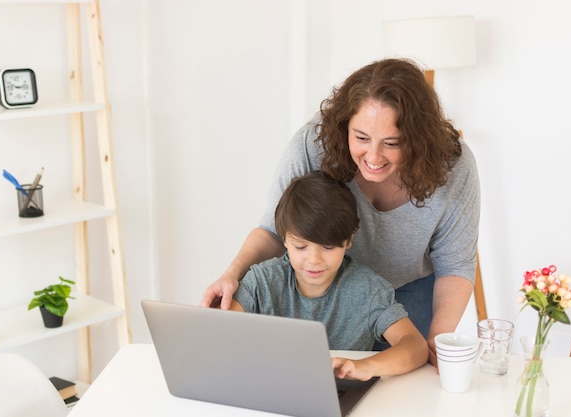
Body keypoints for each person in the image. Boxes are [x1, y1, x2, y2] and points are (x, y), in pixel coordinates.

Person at [201, 58, 480, 367]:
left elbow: (455, 264)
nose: (373, 156)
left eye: (392, 143)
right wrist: (232, 274)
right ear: (344, 125)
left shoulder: (454, 165)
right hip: (330, 292)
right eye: (361, 138)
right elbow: (273, 230)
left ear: (418, 140)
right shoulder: (312, 145)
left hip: (410, 288)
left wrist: (436, 341)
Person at [228, 171, 428, 380]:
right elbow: (219, 331)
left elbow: (415, 345)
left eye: (328, 247)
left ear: (349, 240)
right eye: (301, 246)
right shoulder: (262, 281)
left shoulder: (368, 290)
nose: (314, 260)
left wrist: (364, 367)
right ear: (284, 238)